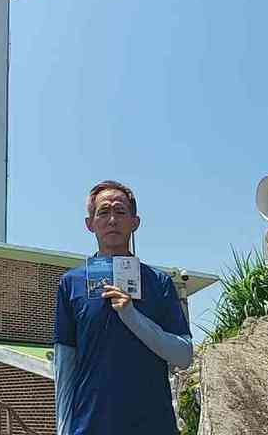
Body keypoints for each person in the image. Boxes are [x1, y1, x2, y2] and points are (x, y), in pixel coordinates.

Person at [52, 180, 193, 435]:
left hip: (153, 425)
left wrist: (132, 316)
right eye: (103, 212)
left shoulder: (159, 282)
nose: (112, 220)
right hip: (89, 426)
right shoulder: (71, 283)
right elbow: (65, 365)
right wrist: (62, 430)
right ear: (89, 224)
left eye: (120, 211)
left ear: (134, 222)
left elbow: (183, 355)